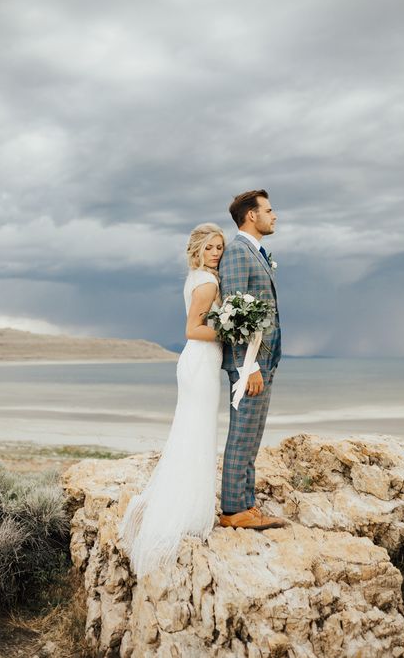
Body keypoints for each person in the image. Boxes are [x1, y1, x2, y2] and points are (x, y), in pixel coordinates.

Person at [118, 223, 225, 579]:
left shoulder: (196, 277)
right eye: (210, 247)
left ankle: (189, 504)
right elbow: (192, 329)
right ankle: (188, 512)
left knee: (192, 431)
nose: (216, 253)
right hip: (200, 359)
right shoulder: (207, 282)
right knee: (197, 433)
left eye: (220, 247)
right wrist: (232, 330)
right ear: (197, 249)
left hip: (198, 362)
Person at [219, 190, 287, 530]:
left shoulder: (256, 252)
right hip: (249, 365)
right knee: (242, 434)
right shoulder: (236, 252)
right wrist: (251, 367)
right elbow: (233, 313)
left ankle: (246, 504)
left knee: (252, 435)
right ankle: (233, 510)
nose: (274, 216)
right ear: (251, 215)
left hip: (263, 361)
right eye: (269, 210)